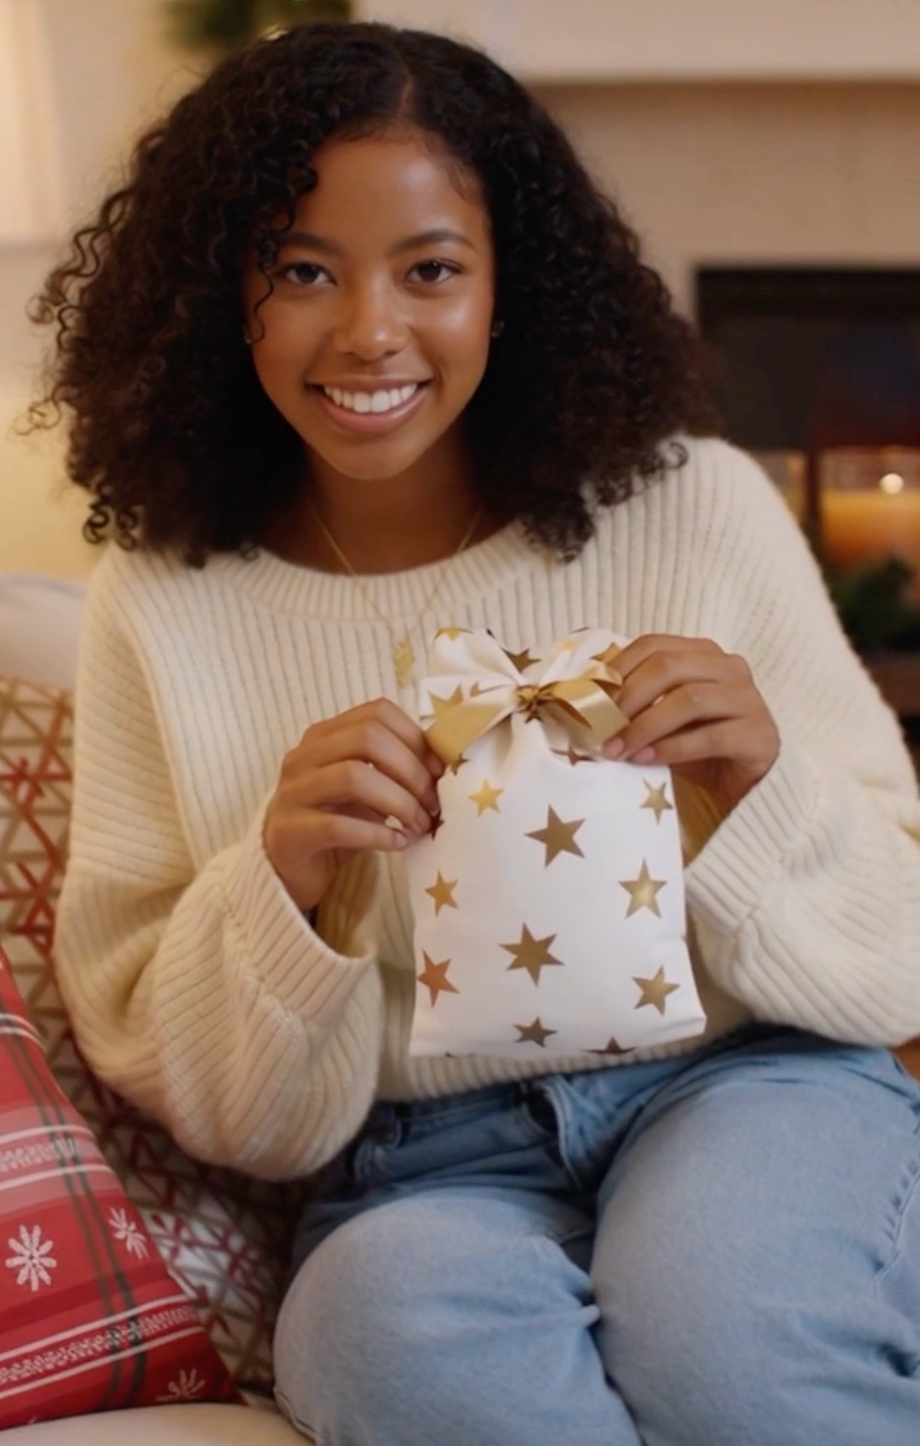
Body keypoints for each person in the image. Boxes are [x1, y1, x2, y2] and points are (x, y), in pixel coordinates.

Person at [32, 20, 920, 1446]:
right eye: (301, 268)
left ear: (512, 289)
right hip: (416, 1163)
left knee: (728, 1331)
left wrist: (761, 787)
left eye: (431, 267)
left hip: (745, 1080)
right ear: (221, 291)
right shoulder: (162, 601)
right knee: (386, 1348)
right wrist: (283, 884)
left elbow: (902, 944)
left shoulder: (693, 506)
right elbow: (194, 1083)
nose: (368, 329)